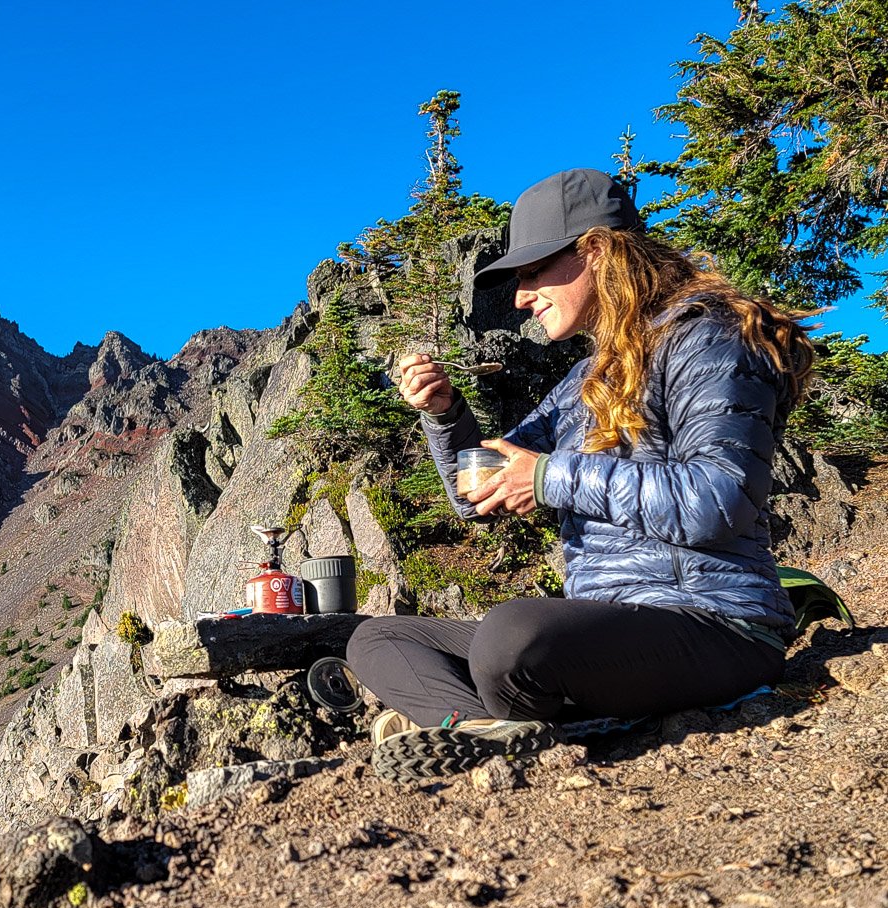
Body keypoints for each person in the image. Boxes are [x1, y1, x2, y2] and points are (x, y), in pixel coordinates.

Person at [345, 167, 815, 780]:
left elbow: (719, 499)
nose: (521, 296)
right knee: (376, 640)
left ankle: (484, 718)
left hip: (716, 626)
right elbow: (478, 490)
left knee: (512, 635)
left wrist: (548, 478)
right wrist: (445, 414)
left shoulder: (711, 340)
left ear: (593, 250)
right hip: (607, 629)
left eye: (534, 272)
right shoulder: (582, 380)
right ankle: (488, 733)